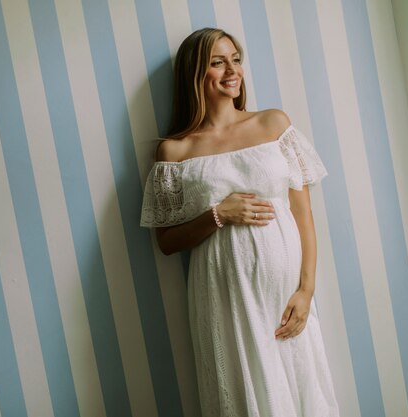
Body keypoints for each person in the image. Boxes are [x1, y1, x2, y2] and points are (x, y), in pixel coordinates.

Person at [140, 28, 340, 416]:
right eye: (217, 62)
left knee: (300, 392)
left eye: (235, 59)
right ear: (195, 73)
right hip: (224, 300)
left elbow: (303, 213)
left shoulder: (273, 124)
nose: (232, 70)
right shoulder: (176, 150)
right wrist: (218, 215)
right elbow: (166, 242)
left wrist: (307, 290)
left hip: (285, 299)